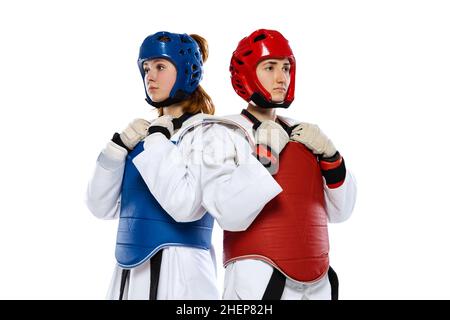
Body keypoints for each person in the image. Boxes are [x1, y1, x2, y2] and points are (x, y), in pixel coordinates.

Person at [86, 31, 281, 300]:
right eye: (146, 68)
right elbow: (100, 207)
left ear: (185, 70)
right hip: (127, 275)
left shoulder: (209, 133)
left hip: (181, 275)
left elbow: (186, 206)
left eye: (160, 67)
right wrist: (115, 150)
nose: (149, 76)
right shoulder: (141, 136)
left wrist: (156, 141)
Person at [221, 29, 357, 300]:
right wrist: (264, 155)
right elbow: (229, 213)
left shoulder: (303, 133)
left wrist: (331, 156)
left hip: (317, 279)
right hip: (257, 278)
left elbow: (341, 212)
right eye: (270, 67)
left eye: (286, 68)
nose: (281, 78)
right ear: (248, 73)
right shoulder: (223, 132)